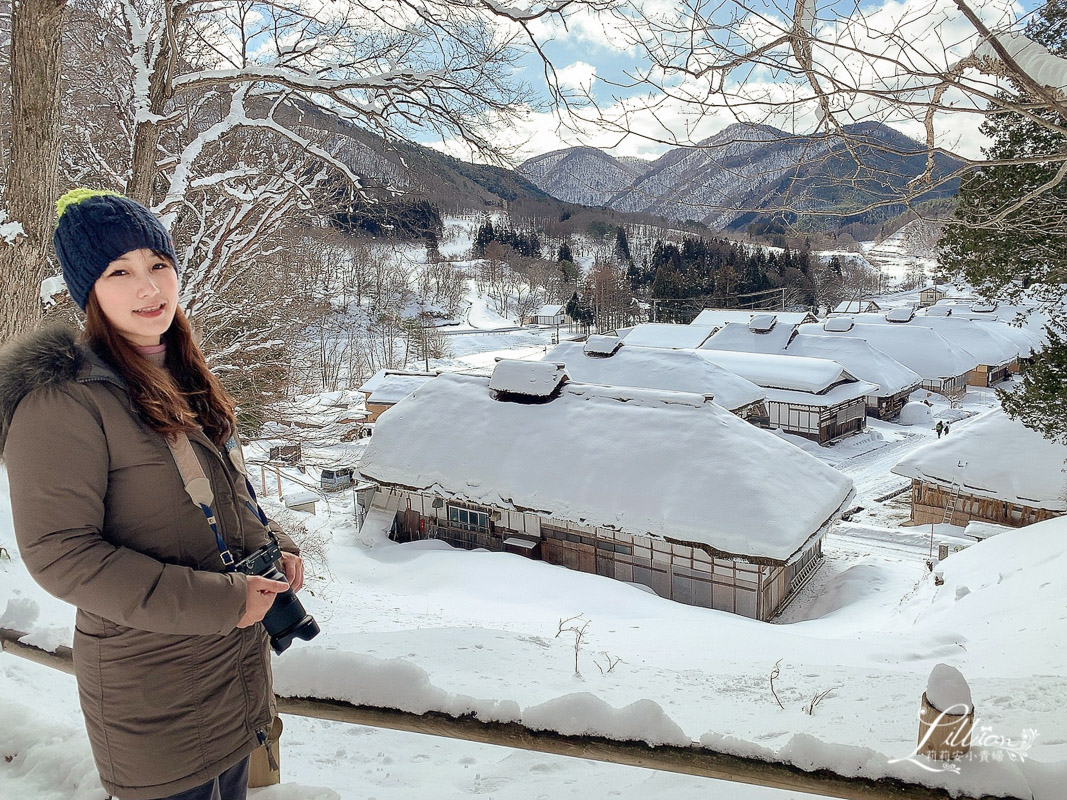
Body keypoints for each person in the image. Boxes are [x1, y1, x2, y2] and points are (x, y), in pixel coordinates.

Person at [0, 189, 304, 800]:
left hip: (231, 672)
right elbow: (62, 556)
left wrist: (276, 547)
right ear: (88, 290)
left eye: (157, 265)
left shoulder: (177, 373)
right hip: (152, 689)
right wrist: (224, 603)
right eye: (120, 272)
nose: (148, 288)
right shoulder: (64, 399)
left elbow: (224, 491)